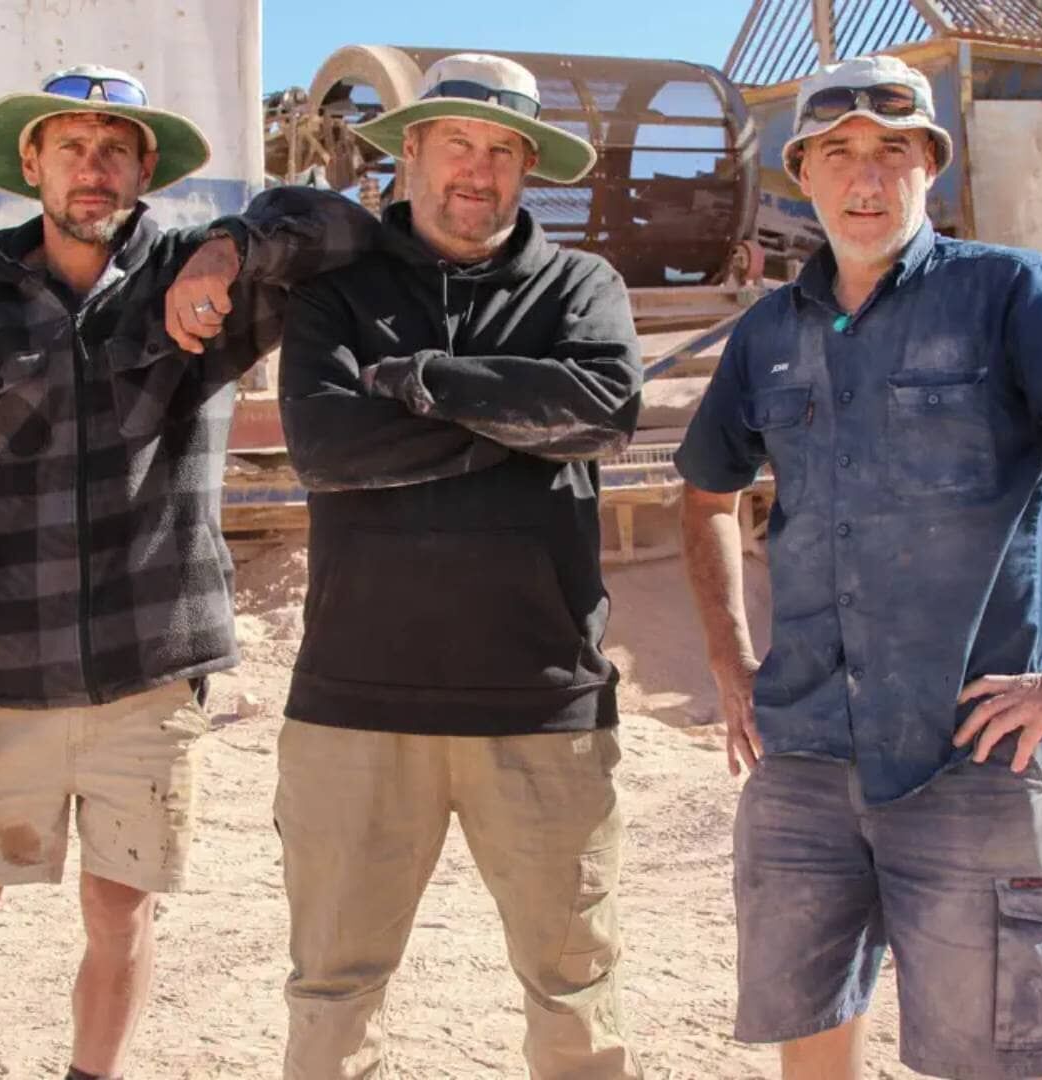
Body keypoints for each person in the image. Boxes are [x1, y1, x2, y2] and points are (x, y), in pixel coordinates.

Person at [674, 55, 1042, 1080]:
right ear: (803, 173)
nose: (866, 178)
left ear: (931, 164)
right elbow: (704, 496)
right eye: (838, 154)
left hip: (968, 752)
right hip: (803, 753)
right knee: (810, 1024)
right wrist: (731, 663)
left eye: (892, 150)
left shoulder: (1013, 295)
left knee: (996, 1055)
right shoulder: (768, 334)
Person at [0, 64, 375, 1080]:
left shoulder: (202, 281)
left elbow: (347, 231)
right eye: (71, 148)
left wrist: (227, 248)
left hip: (148, 677)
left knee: (119, 915)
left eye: (114, 151)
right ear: (33, 166)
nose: (91, 169)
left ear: (145, 171)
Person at [271, 52, 647, 1080]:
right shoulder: (338, 288)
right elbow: (326, 448)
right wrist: (517, 423)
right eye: (456, 144)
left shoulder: (580, 285)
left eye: (502, 150)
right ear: (411, 153)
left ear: (527, 167)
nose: (477, 171)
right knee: (333, 992)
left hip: (542, 702)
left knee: (576, 993)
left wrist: (424, 380)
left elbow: (603, 411)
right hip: (354, 703)